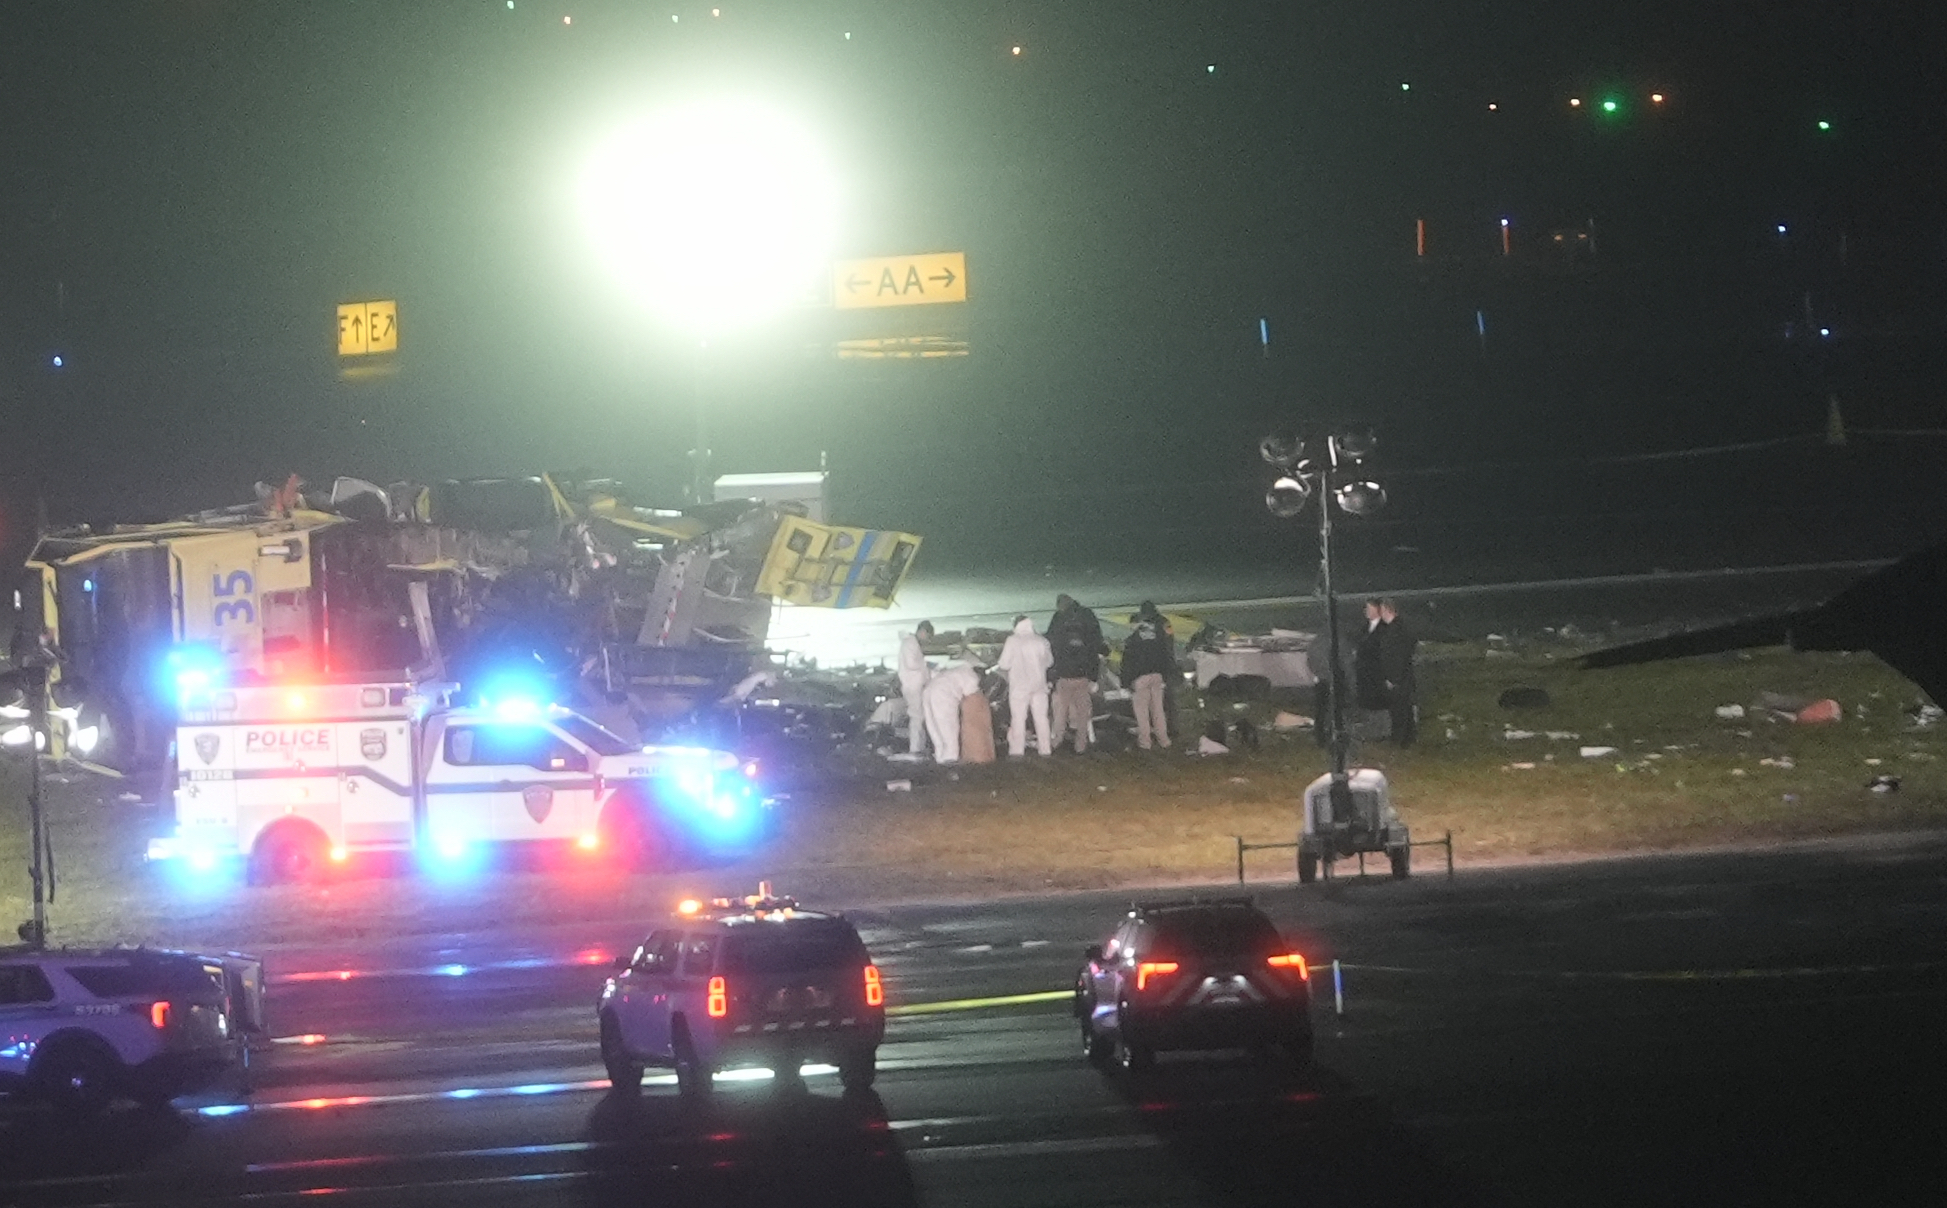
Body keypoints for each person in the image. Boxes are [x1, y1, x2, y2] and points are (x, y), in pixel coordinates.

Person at [1046, 594, 1107, 753]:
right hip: (1083, 675)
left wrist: (1052, 675)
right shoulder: (1087, 615)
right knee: (1082, 712)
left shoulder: (1058, 618)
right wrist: (1093, 676)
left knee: (1060, 712)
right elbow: (1095, 645)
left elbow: (1052, 646)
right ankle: (1081, 744)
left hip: (1064, 674)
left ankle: (1056, 741)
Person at [1120, 602, 1176, 750]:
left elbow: (1128, 661)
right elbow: (1167, 651)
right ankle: (1164, 739)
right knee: (1158, 709)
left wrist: (1125, 683)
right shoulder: (1160, 630)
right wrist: (1166, 674)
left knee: (1142, 711)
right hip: (1157, 675)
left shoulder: (1133, 639)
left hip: (1139, 677)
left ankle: (1145, 741)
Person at [996, 615, 1054, 757]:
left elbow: (1004, 664)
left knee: (1018, 719)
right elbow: (1049, 662)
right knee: (1041, 718)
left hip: (1019, 687)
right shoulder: (1041, 640)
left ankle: (1017, 750)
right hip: (1039, 685)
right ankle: (1045, 748)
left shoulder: (1012, 641)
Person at [922, 659, 982, 764]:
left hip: (929, 689)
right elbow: (972, 698)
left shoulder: (955, 671)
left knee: (936, 734)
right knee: (949, 736)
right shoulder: (972, 676)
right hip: (944, 695)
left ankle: (940, 761)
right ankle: (951, 767)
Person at [1376, 598, 1418, 746]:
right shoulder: (1401, 628)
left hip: (1397, 678)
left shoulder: (1394, 631)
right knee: (1404, 709)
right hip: (1404, 676)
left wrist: (1392, 678)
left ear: (1387, 610)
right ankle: (1407, 738)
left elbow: (1395, 657)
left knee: (1399, 710)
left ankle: (1400, 740)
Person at [897, 621, 934, 755]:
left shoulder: (911, 643)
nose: (927, 640)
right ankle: (915, 748)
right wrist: (926, 667)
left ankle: (919, 746)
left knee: (919, 716)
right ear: (923, 632)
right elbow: (912, 663)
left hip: (912, 684)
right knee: (917, 717)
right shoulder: (910, 643)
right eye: (928, 636)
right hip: (912, 686)